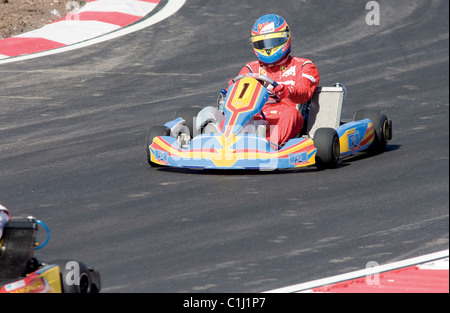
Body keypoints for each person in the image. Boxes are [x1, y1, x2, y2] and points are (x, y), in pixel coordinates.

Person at [229, 14, 320, 146]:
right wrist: (231, 88)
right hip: (256, 116)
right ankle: (221, 141)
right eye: (262, 43)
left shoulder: (304, 65)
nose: (267, 48)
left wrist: (288, 91)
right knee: (227, 111)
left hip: (287, 117)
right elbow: (235, 92)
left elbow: (304, 92)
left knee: (291, 113)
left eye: (274, 42)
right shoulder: (251, 68)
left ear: (285, 38)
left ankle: (269, 146)